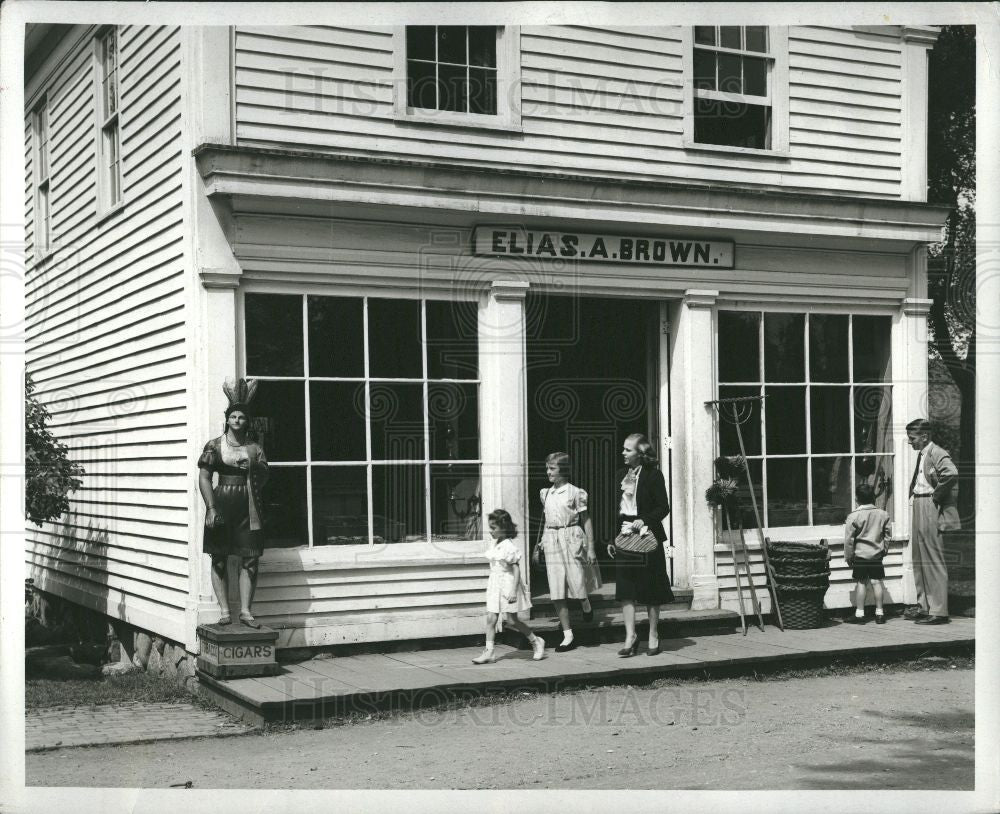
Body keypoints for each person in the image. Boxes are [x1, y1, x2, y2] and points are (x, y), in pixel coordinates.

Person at [198, 378, 269, 629]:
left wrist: (252, 466)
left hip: (249, 506)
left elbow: (265, 476)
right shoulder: (214, 445)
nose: (237, 421)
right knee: (219, 556)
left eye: (242, 417)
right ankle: (225, 610)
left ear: (247, 421)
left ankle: (246, 611)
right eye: (233, 417)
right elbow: (205, 477)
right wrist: (211, 507)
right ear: (227, 419)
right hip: (223, 503)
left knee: (249, 558)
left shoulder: (254, 448)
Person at [608, 433, 673, 657]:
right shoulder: (619, 475)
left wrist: (644, 519)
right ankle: (630, 636)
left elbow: (663, 507)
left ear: (640, 453)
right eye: (624, 449)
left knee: (651, 588)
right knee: (626, 589)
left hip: (647, 538)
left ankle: (653, 634)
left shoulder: (654, 476)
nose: (623, 453)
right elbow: (615, 510)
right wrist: (611, 538)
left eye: (628, 450)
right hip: (625, 538)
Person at [531, 452, 601, 652]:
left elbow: (586, 520)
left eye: (552, 469)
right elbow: (547, 520)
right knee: (556, 589)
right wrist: (543, 541)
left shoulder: (576, 493)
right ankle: (568, 634)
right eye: (547, 468)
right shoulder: (545, 493)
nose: (548, 472)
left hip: (572, 538)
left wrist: (591, 548)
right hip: (552, 540)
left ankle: (585, 603)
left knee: (577, 582)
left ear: (563, 470)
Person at [903, 418, 959, 625]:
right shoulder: (923, 453)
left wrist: (937, 495)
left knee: (933, 558)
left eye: (912, 438)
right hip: (919, 504)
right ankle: (924, 606)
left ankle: (939, 611)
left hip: (929, 504)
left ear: (924, 436)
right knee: (918, 557)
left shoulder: (937, 452)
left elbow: (951, 473)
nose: (910, 442)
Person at [472, 509, 546, 664]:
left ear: (503, 528)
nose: (490, 531)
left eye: (494, 528)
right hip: (495, 584)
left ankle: (536, 641)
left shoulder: (508, 546)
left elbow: (516, 568)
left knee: (512, 621)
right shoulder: (495, 544)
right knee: (491, 618)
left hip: (507, 584)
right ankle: (489, 652)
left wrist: (513, 590)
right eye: (490, 527)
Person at [844, 483, 892, 625]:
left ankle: (859, 614)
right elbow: (888, 535)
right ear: (873, 498)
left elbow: (849, 540)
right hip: (876, 555)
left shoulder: (854, 516)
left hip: (860, 556)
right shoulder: (883, 514)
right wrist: (884, 550)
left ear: (857, 499)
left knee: (861, 583)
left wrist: (848, 556)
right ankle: (880, 614)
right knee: (877, 582)